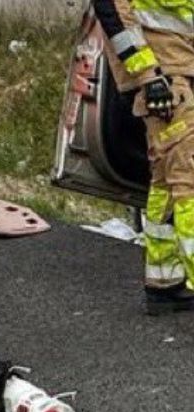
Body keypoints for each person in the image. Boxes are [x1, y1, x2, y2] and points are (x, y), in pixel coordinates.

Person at [92, 0, 194, 314]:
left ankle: (165, 281)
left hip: (180, 70)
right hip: (165, 78)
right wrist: (148, 76)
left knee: (166, 180)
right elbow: (112, 13)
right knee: (189, 181)